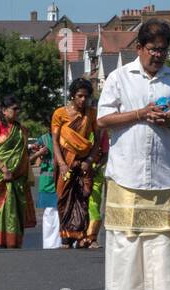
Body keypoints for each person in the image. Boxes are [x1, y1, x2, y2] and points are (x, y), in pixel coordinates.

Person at [96, 18, 170, 290]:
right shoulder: (119, 78)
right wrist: (140, 113)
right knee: (126, 241)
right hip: (126, 175)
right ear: (139, 48)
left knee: (161, 243)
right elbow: (102, 120)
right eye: (153, 49)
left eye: (164, 50)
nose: (158, 56)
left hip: (163, 175)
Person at [0, 96, 36, 248]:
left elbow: (23, 153)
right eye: (14, 109)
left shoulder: (19, 129)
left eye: (18, 109)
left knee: (15, 207)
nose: (17, 112)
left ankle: (13, 241)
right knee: (0, 206)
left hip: (18, 176)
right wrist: (4, 169)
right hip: (0, 174)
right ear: (4, 111)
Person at [52, 78, 99, 248]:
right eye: (79, 96)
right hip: (64, 161)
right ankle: (66, 237)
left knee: (83, 197)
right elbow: (55, 141)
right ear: (72, 96)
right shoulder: (59, 114)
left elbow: (98, 141)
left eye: (86, 97)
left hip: (83, 162)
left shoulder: (92, 113)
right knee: (64, 198)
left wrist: (89, 160)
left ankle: (81, 236)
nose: (83, 100)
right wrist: (62, 164)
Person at [35, 127, 60, 249]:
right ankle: (49, 244)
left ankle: (62, 241)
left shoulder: (64, 136)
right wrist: (39, 153)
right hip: (47, 181)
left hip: (61, 179)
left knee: (61, 210)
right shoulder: (43, 139)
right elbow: (30, 157)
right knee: (49, 212)